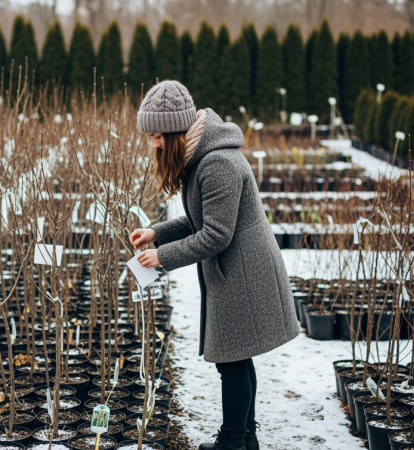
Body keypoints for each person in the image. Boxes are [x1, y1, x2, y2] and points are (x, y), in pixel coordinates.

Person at [128, 80, 300, 450]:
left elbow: (215, 236)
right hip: (235, 269)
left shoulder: (217, 162)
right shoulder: (203, 156)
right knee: (237, 360)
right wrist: (155, 233)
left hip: (243, 272)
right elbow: (198, 220)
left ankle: (233, 442)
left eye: (158, 136)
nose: (155, 144)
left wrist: (163, 257)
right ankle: (244, 439)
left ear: (175, 132)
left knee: (232, 363)